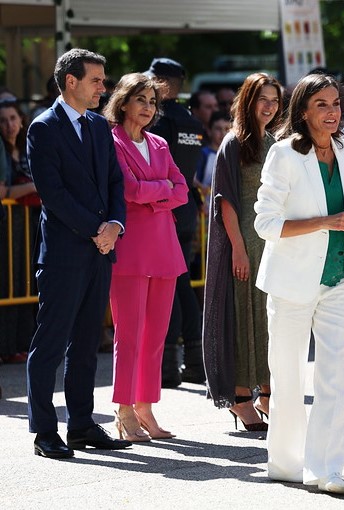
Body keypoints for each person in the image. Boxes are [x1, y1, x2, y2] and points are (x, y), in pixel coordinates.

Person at [254, 72, 344, 495]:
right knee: (287, 376)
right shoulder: (283, 154)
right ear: (303, 111)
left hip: (339, 278)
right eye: (321, 104)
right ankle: (287, 463)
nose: (332, 111)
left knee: (332, 378)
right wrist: (325, 222)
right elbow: (266, 223)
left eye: (336, 103)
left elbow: (342, 212)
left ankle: (328, 469)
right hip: (291, 282)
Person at [26, 48, 130, 458]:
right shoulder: (43, 128)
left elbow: (115, 184)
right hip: (65, 254)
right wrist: (97, 231)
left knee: (87, 343)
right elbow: (53, 194)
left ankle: (82, 424)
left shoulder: (100, 127)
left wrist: (115, 227)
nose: (103, 88)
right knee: (50, 344)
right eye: (96, 80)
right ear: (71, 81)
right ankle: (44, 431)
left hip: (100, 251)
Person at [102, 73, 189, 442]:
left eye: (153, 102)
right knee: (130, 335)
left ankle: (145, 407)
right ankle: (123, 409)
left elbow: (183, 190)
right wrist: (161, 191)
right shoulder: (111, 142)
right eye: (141, 100)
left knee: (156, 336)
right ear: (123, 102)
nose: (149, 108)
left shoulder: (159, 142)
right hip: (131, 248)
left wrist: (155, 193)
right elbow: (129, 190)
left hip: (164, 247)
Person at [202, 73, 282, 431]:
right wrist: (237, 249)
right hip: (244, 243)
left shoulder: (273, 141)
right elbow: (226, 202)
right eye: (262, 98)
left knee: (267, 323)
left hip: (271, 243)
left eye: (275, 100)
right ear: (247, 101)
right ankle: (240, 398)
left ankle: (266, 393)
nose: (269, 106)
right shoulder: (234, 143)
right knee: (243, 320)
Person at [146, 58, 206, 386]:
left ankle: (168, 366)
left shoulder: (160, 121)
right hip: (185, 210)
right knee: (181, 286)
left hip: (164, 210)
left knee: (168, 287)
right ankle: (194, 362)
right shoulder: (192, 122)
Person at [0, 100, 39, 364]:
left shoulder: (27, 147)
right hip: (8, 226)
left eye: (13, 118)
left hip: (29, 225)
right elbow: (4, 192)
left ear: (21, 119)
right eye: (3, 120)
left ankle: (24, 343)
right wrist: (34, 187)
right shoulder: (2, 150)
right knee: (9, 284)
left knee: (27, 283)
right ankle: (7, 346)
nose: (9, 125)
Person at [194, 111, 232, 214]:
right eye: (218, 129)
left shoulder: (235, 155)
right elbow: (192, 179)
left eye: (227, 129)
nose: (223, 133)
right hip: (205, 211)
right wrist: (201, 186)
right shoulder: (203, 154)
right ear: (209, 130)